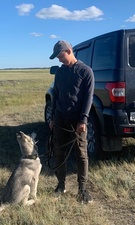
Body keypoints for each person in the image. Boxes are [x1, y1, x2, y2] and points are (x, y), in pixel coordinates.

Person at [49, 40, 94, 204]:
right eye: (57, 58)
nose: (59, 60)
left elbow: (88, 98)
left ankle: (82, 189)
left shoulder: (85, 71)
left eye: (60, 56)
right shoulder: (60, 73)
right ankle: (61, 185)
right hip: (60, 117)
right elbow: (56, 95)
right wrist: (52, 117)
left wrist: (83, 119)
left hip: (77, 120)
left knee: (81, 154)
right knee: (59, 152)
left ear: (69, 51)